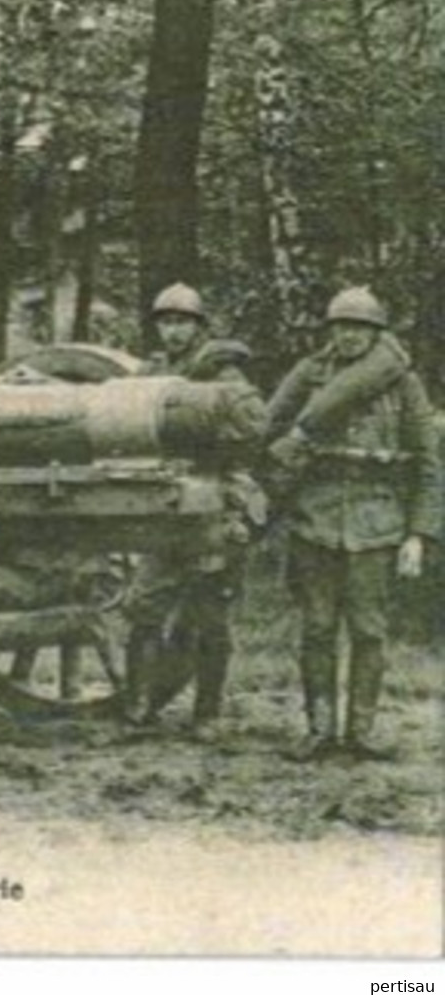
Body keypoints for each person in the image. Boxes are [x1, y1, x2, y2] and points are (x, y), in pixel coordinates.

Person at [265, 287, 440, 763]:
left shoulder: (403, 384)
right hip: (314, 517)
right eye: (340, 327)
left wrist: (419, 534)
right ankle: (319, 730)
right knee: (317, 628)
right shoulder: (310, 374)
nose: (348, 336)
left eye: (359, 328)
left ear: (377, 333)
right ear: (329, 332)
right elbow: (267, 428)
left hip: (378, 520)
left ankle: (360, 732)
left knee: (369, 630)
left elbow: (428, 463)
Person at [120, 284, 267, 739]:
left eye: (183, 322)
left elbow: (251, 427)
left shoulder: (225, 374)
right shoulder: (152, 371)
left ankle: (208, 713)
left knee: (210, 613)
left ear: (200, 327)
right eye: (166, 322)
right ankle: (139, 705)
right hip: (164, 505)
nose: (173, 331)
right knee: (142, 604)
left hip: (214, 500)